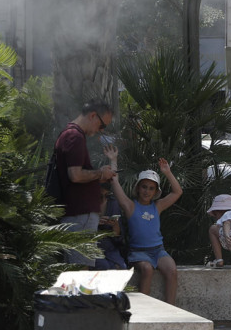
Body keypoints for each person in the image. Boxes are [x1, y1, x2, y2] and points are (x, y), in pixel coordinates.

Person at [103, 149, 184, 305]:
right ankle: (142, 310)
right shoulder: (130, 206)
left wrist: (167, 172)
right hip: (138, 252)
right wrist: (113, 160)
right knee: (147, 269)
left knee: (172, 270)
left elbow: (177, 192)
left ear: (155, 192)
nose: (147, 191)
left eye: (151, 188)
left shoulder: (158, 206)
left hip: (158, 250)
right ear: (138, 188)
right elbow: (114, 182)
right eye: (144, 187)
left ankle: (171, 309)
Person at [53, 99, 117, 267]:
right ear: (93, 116)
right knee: (80, 273)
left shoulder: (69, 134)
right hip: (80, 215)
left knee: (75, 272)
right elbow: (75, 175)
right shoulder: (75, 136)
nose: (101, 131)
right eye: (102, 126)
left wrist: (99, 175)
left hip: (76, 214)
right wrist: (100, 173)